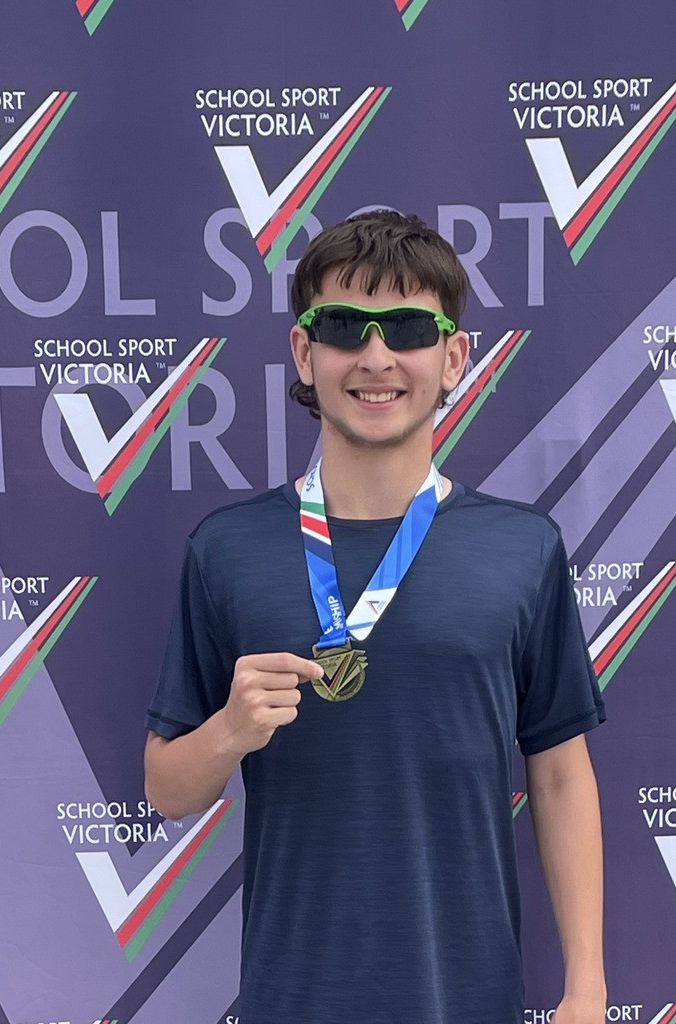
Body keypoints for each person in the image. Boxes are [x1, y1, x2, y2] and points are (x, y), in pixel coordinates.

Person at [144, 210, 606, 1024]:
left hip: (467, 1002)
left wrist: (586, 988)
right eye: (345, 326)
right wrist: (229, 732)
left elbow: (561, 776)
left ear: (453, 356)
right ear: (305, 352)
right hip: (293, 1003)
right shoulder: (228, 548)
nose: (377, 356)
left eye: (407, 328)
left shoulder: (523, 549)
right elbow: (165, 789)